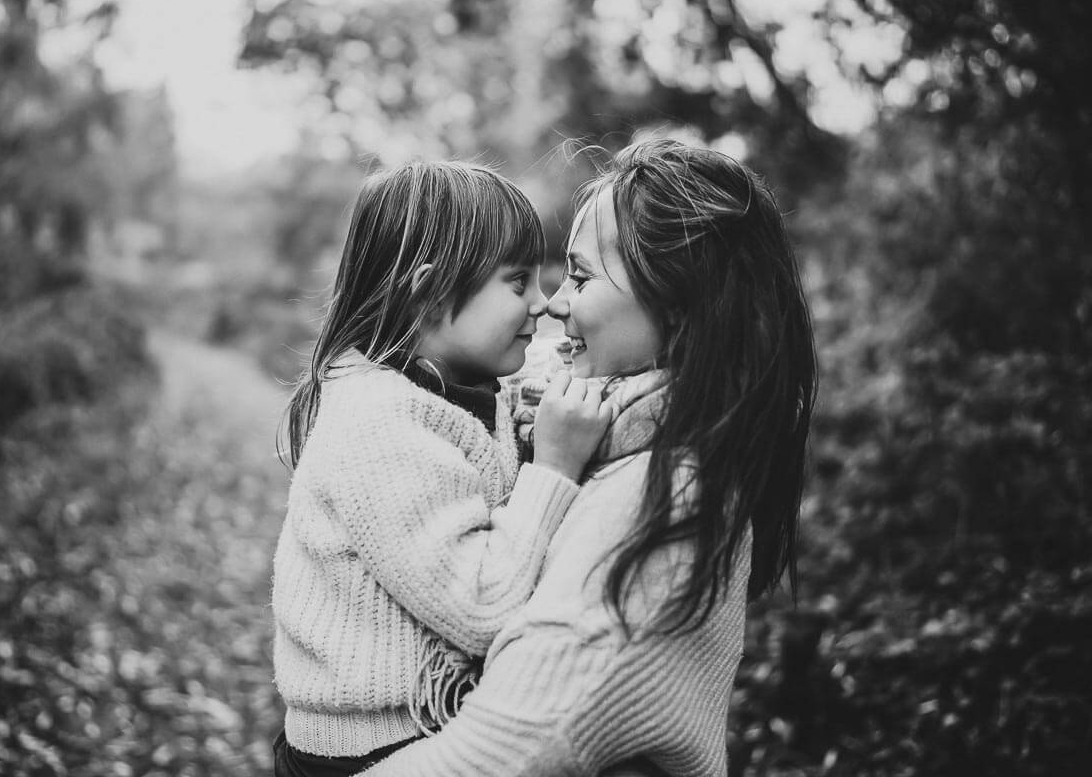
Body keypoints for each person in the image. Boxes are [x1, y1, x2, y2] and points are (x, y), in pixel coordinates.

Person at [359, 139, 818, 776]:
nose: (554, 304)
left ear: (679, 310)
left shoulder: (665, 494)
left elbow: (500, 755)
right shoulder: (633, 444)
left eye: (580, 276)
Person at [271, 160, 613, 776]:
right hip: (371, 751)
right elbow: (482, 606)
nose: (543, 304)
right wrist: (554, 469)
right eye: (518, 282)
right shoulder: (378, 423)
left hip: (429, 729)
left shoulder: (460, 391)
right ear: (427, 296)